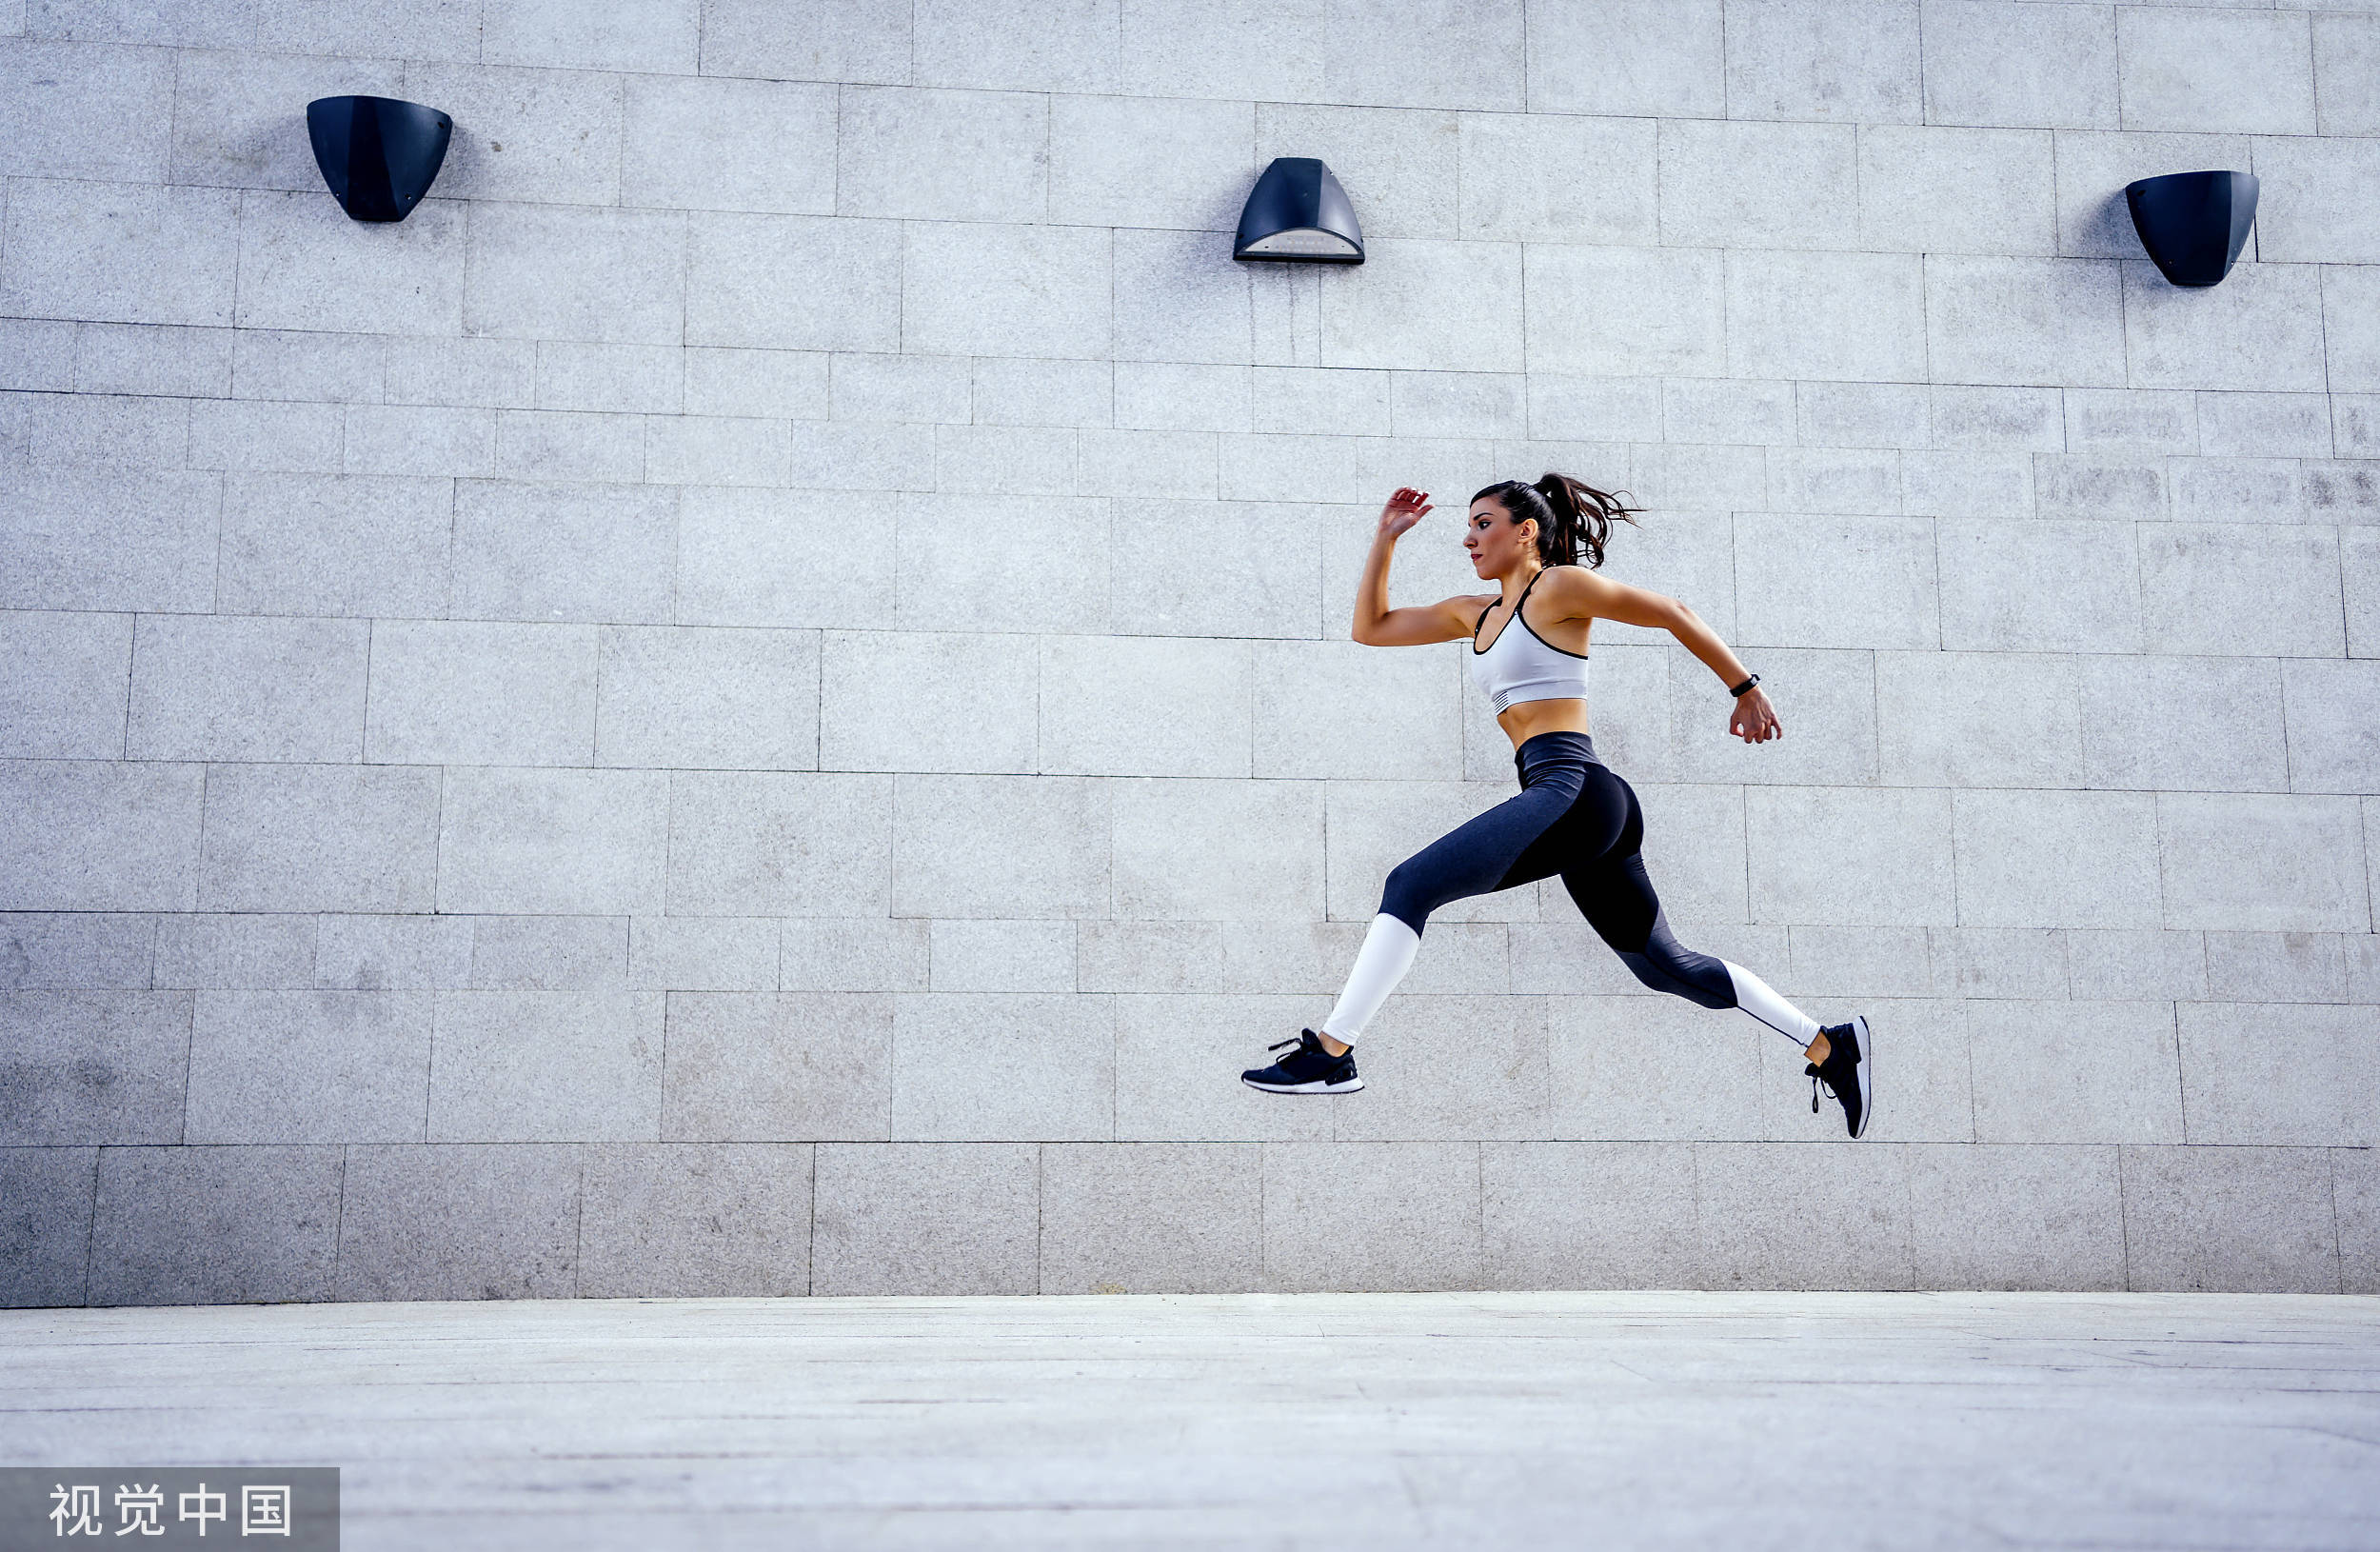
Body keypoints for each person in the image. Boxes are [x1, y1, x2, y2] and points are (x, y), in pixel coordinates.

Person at [1240, 477, 1874, 1138]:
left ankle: (1333, 1052)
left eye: (1483, 523)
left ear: (1526, 531)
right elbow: (1371, 629)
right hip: (1576, 804)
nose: (1468, 537)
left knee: (1409, 884)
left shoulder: (1559, 588)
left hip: (1572, 791)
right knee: (1665, 967)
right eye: (1468, 526)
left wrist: (1744, 688)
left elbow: (1671, 610)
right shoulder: (1475, 614)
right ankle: (1828, 1045)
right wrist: (1385, 540)